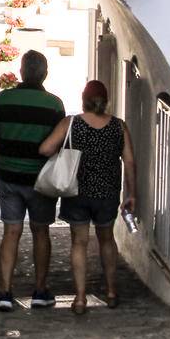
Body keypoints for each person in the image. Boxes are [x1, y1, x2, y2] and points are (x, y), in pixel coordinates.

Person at [39, 79, 136, 315]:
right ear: (106, 101)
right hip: (107, 193)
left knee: (79, 243)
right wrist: (132, 193)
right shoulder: (118, 126)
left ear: (84, 100)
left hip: (77, 193)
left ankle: (80, 298)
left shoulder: (71, 123)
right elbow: (130, 161)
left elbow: (45, 149)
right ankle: (111, 292)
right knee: (107, 240)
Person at [0, 50, 64, 311]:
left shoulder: (3, 99)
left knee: (11, 232)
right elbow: (56, 144)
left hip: (9, 177)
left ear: (21, 72)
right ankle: (40, 290)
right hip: (40, 180)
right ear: (45, 74)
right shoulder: (54, 105)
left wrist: (0, 162)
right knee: (41, 232)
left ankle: (5, 292)